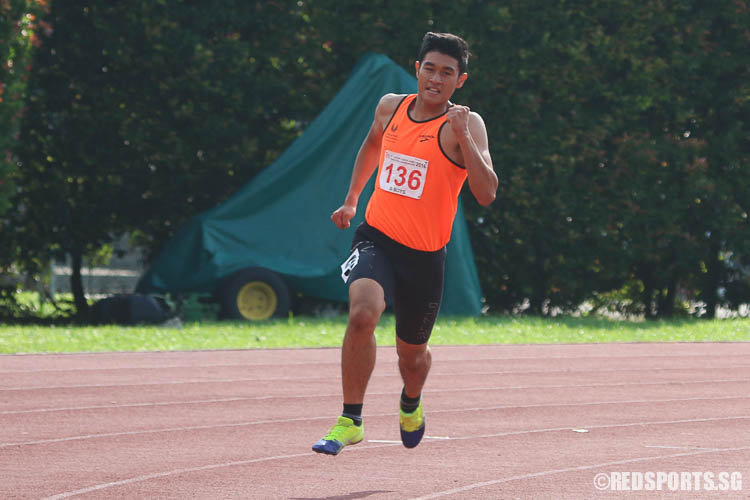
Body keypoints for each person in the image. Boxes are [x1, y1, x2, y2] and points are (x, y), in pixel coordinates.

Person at [312, 32, 497, 456]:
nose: (435, 78)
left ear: (460, 80)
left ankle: (411, 400)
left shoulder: (467, 124)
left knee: (411, 358)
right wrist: (352, 198)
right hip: (376, 236)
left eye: (446, 73)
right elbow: (374, 144)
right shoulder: (389, 106)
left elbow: (487, 192)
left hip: (425, 257)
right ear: (417, 69)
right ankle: (350, 419)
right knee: (362, 314)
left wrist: (464, 136)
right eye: (429, 68)